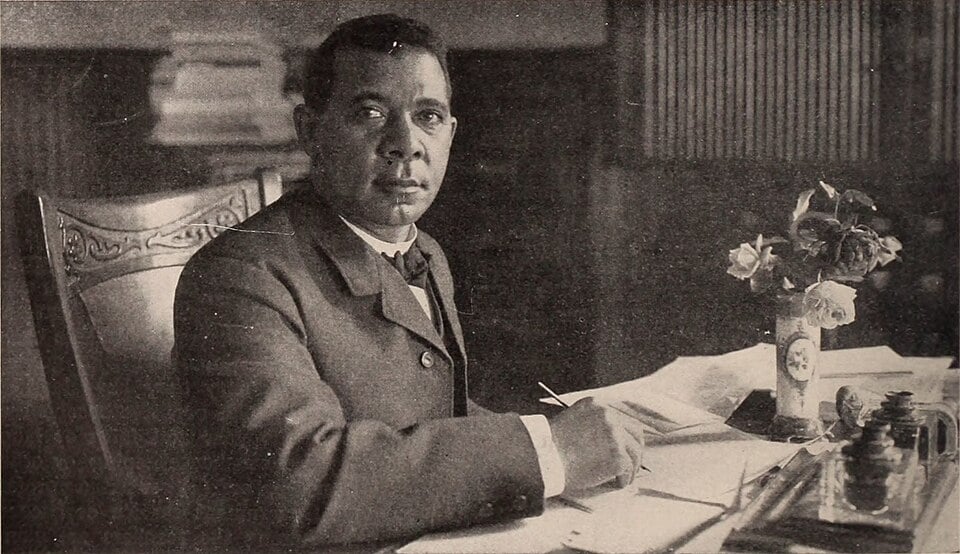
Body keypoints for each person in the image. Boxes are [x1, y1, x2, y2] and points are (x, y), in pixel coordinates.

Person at [173, 13, 647, 547]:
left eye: (428, 116)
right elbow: (298, 483)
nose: (405, 143)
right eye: (371, 113)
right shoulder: (242, 275)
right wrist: (546, 452)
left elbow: (433, 413)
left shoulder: (423, 251)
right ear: (311, 132)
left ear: (450, 135)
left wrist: (561, 437)